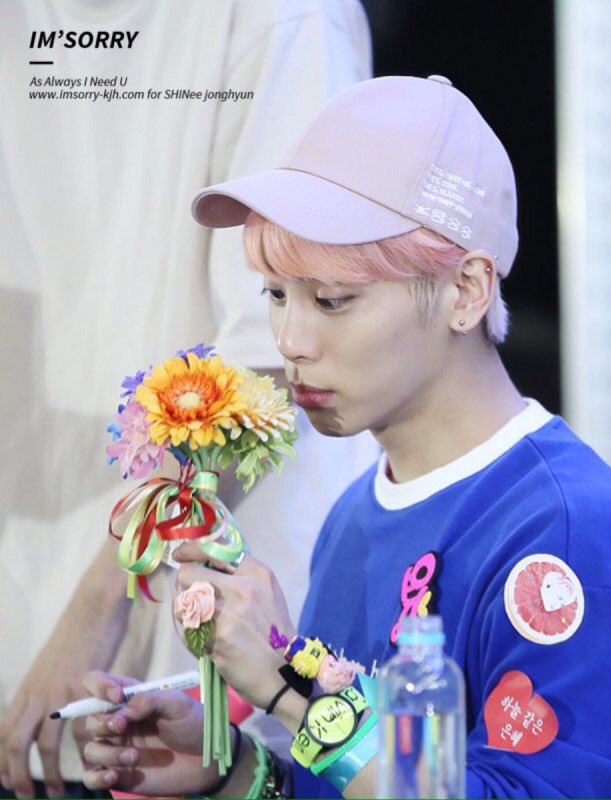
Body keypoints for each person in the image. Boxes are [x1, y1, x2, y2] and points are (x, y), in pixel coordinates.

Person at [78, 74, 611, 798]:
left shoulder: (572, 535)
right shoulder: (357, 515)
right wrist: (237, 772)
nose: (290, 340)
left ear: (466, 291)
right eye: (277, 294)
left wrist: (286, 690)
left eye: (332, 300)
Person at [0, 2, 378, 797]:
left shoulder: (282, 17)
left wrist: (99, 600)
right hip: (38, 641)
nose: (302, 320)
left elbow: (276, 355)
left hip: (213, 662)